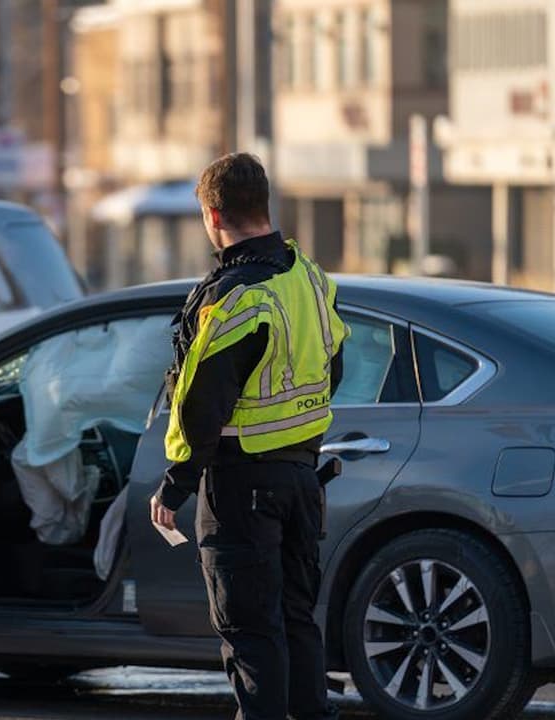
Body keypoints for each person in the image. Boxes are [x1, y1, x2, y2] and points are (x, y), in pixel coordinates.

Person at [149, 153, 347, 720]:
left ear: (213, 215)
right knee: (296, 623)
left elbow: (201, 406)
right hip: (302, 479)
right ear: (264, 204)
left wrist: (175, 485)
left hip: (241, 486)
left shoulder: (232, 298)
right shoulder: (308, 277)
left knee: (251, 635)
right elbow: (331, 369)